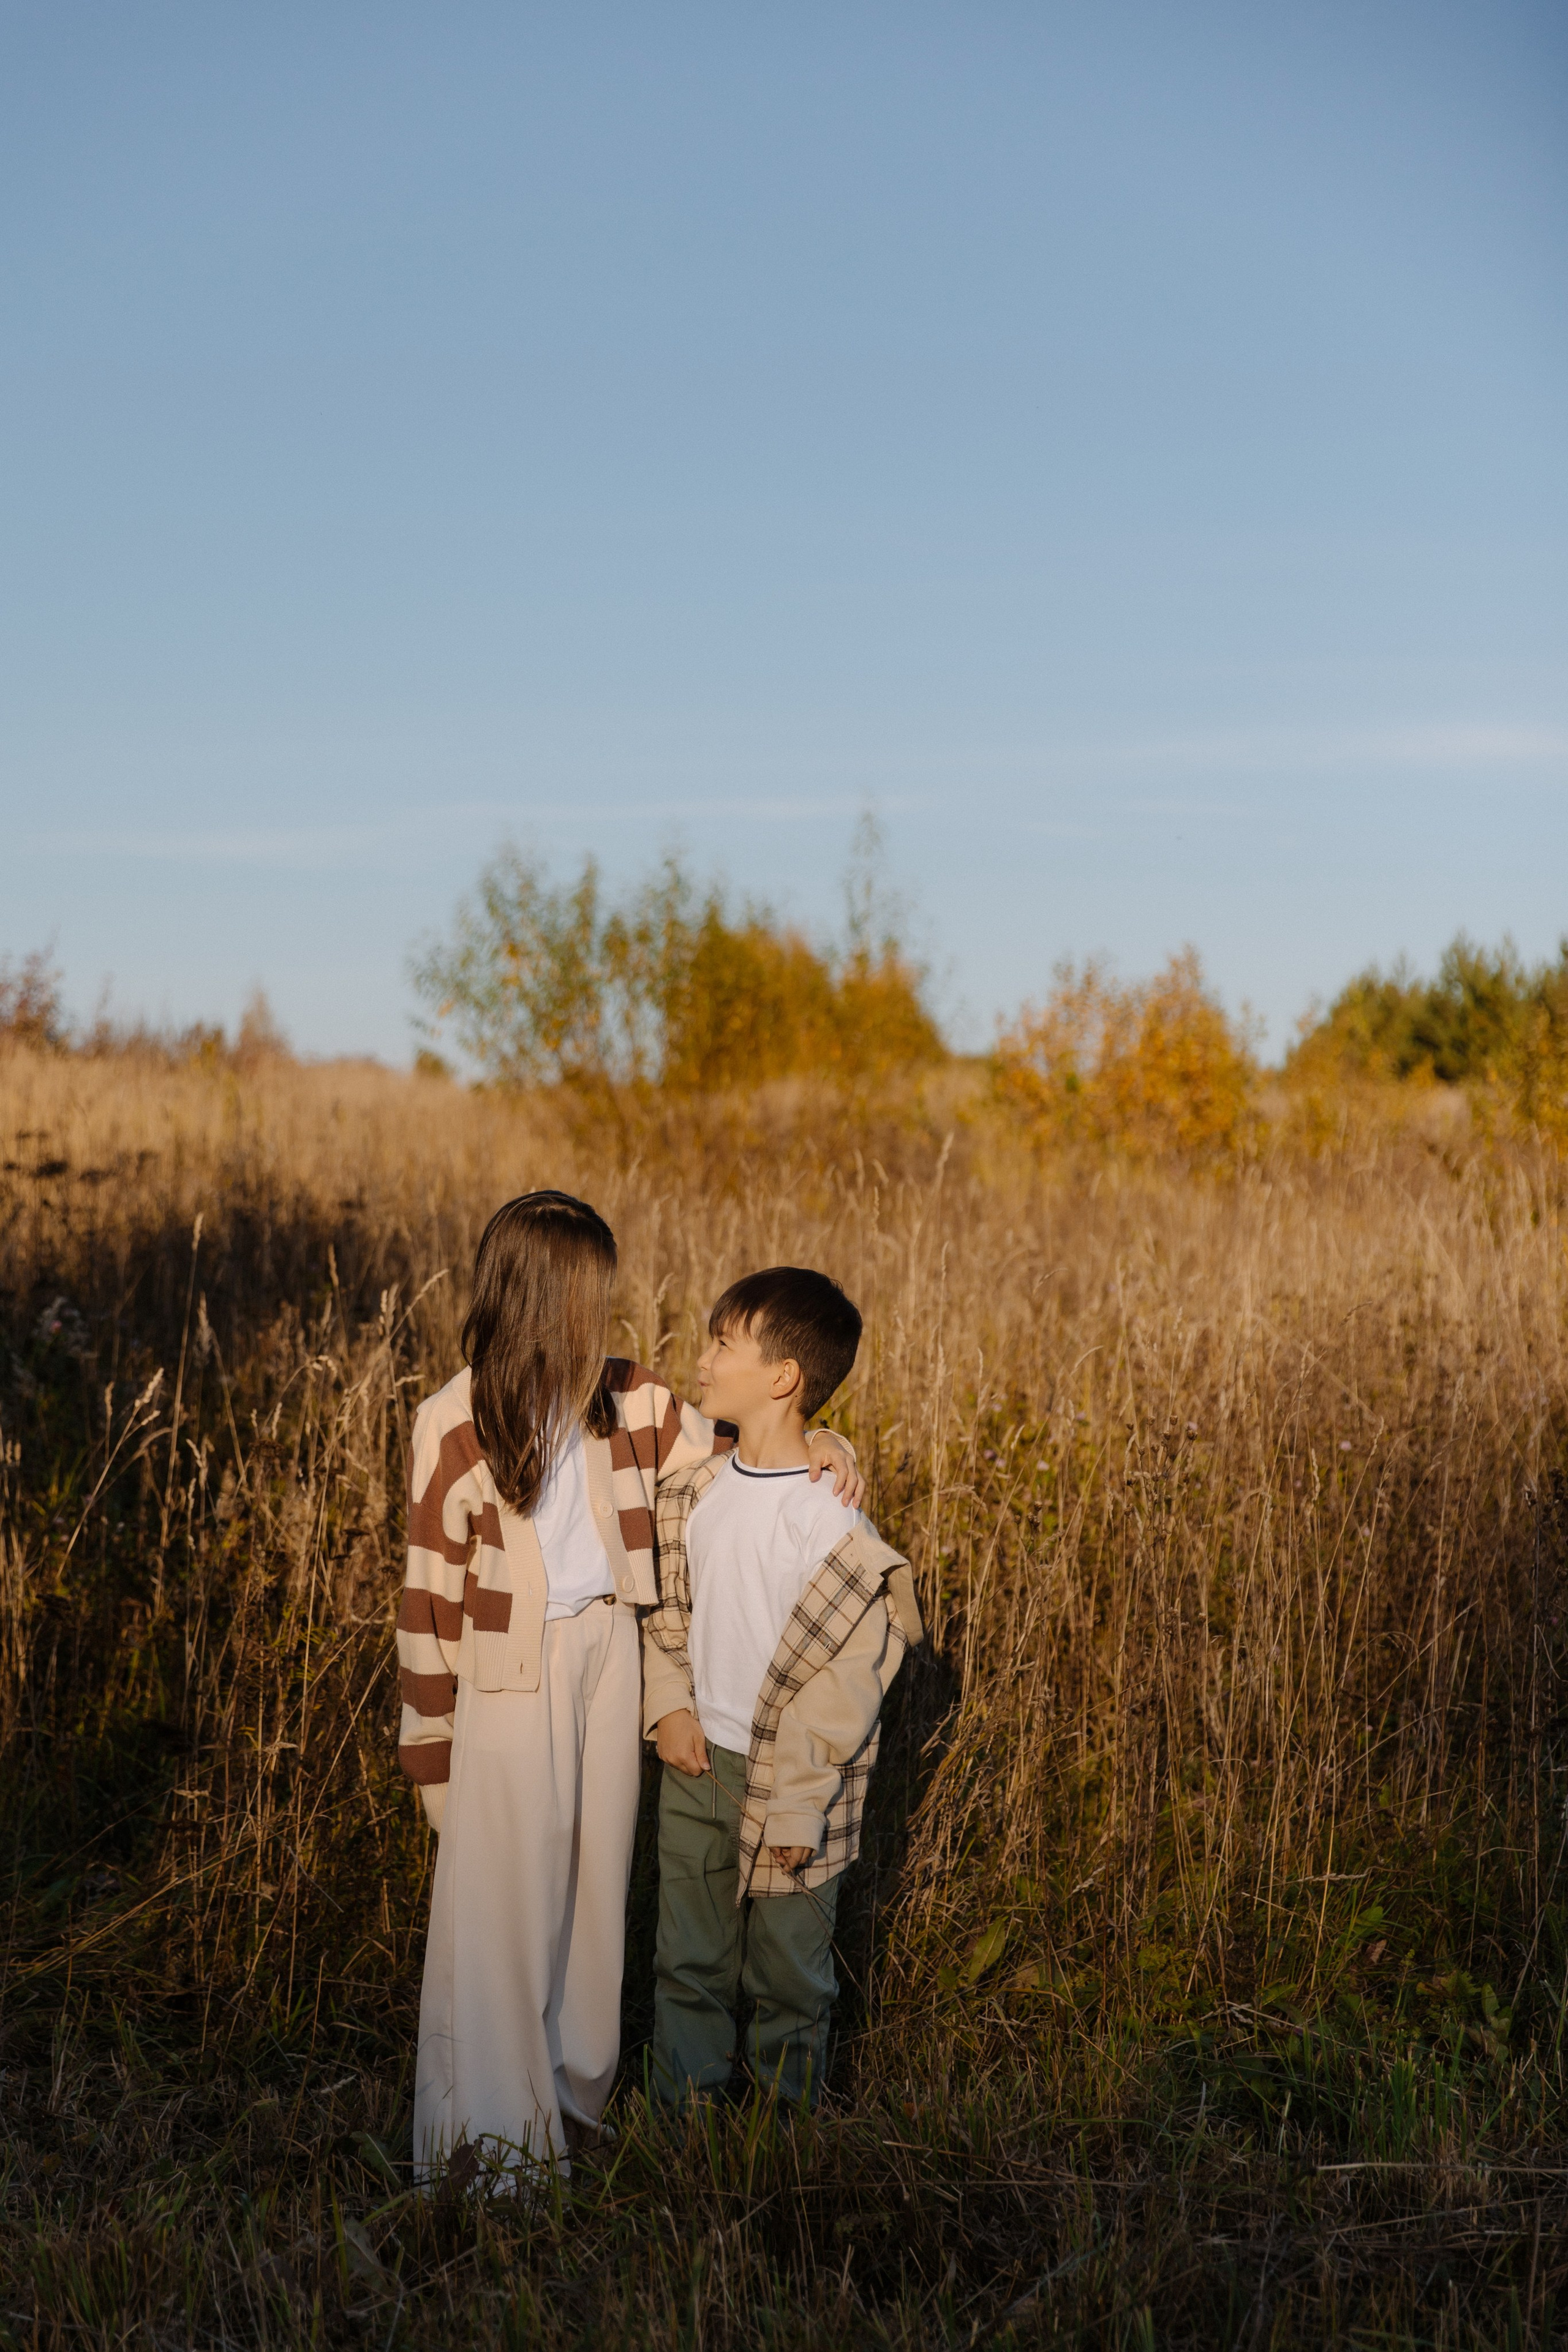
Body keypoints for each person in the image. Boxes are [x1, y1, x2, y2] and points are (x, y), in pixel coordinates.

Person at [396, 1193, 862, 2184]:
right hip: (510, 1675)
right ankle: (488, 2151)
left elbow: (750, 1450)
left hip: (613, 1656)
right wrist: (430, 1756)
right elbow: (426, 1604)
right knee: (504, 1916)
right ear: (537, 1296)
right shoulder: (452, 1421)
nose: (602, 1313)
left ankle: (574, 2114)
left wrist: (832, 1442)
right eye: (587, 1293)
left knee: (593, 1896)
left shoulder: (630, 1399)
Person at [643, 1265, 923, 2109]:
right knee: (688, 1961)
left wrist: (799, 1803)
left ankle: (779, 2141)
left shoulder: (831, 1525)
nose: (699, 1359)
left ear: (782, 1378)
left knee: (789, 1977)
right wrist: (668, 1708)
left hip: (798, 1790)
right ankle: (682, 2126)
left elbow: (843, 1691)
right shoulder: (693, 1493)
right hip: (698, 1764)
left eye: (721, 1343)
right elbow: (664, 1611)